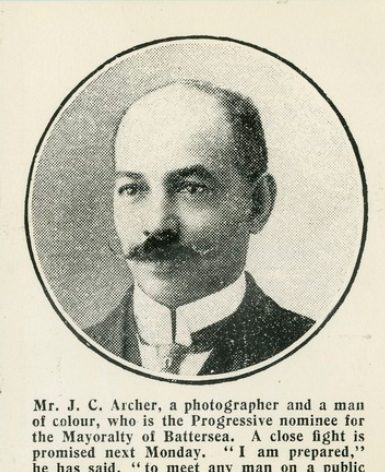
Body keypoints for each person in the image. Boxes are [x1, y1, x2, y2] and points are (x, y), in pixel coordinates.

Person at [86, 80, 314, 376]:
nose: (156, 226)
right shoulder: (67, 353)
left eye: (192, 189)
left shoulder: (318, 351)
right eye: (132, 189)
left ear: (257, 203)